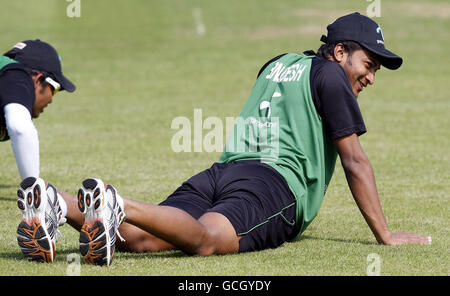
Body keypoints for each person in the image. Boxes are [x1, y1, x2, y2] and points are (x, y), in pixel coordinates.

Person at [15, 13, 431, 266]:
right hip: (274, 185)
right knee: (206, 240)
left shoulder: (278, 62)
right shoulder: (330, 76)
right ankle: (115, 202)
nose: (371, 76)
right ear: (340, 52)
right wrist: (386, 236)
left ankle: (56, 201)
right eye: (368, 63)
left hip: (223, 172)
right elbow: (354, 161)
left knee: (139, 240)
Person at [0, 39, 76, 180]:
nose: (51, 99)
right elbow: (20, 128)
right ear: (38, 79)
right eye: (55, 89)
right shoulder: (16, 74)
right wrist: (33, 189)